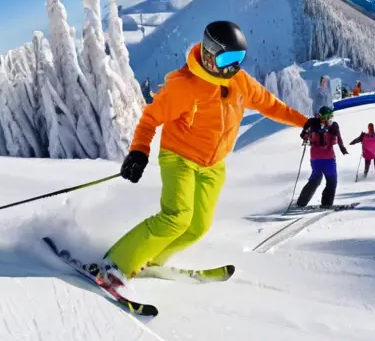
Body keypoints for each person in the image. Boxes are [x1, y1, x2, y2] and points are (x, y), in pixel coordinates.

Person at [92, 21, 309, 288]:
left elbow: (270, 105)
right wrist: (138, 151)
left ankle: (150, 259)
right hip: (179, 157)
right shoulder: (185, 86)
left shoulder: (239, 82)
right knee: (176, 217)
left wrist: (304, 122)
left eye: (239, 58)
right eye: (229, 58)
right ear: (209, 53)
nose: (235, 66)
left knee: (197, 227)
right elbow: (150, 119)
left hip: (213, 165)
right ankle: (116, 264)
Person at [296, 106, 349, 208]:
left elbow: (302, 134)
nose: (330, 119)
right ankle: (326, 203)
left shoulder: (311, 123)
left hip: (315, 158)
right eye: (329, 117)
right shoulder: (333, 126)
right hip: (328, 158)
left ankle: (301, 202)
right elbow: (339, 138)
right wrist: (342, 149)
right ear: (325, 117)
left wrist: (306, 136)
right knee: (332, 180)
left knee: (316, 178)